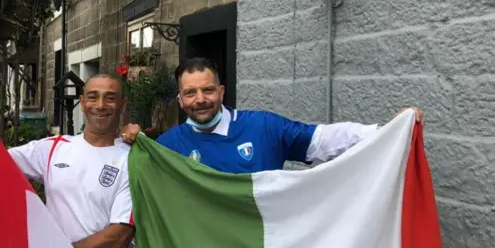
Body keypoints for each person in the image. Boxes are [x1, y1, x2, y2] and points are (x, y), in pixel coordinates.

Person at [121, 57, 424, 173]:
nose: (200, 100)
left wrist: (388, 130)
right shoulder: (169, 144)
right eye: (190, 93)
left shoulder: (264, 127)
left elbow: (323, 140)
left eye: (208, 90)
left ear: (222, 92)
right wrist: (132, 140)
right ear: (180, 99)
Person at [9, 74, 138, 248]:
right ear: (82, 101)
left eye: (110, 98)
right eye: (92, 97)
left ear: (122, 104)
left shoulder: (133, 160)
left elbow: (119, 236)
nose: (100, 105)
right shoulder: (53, 149)